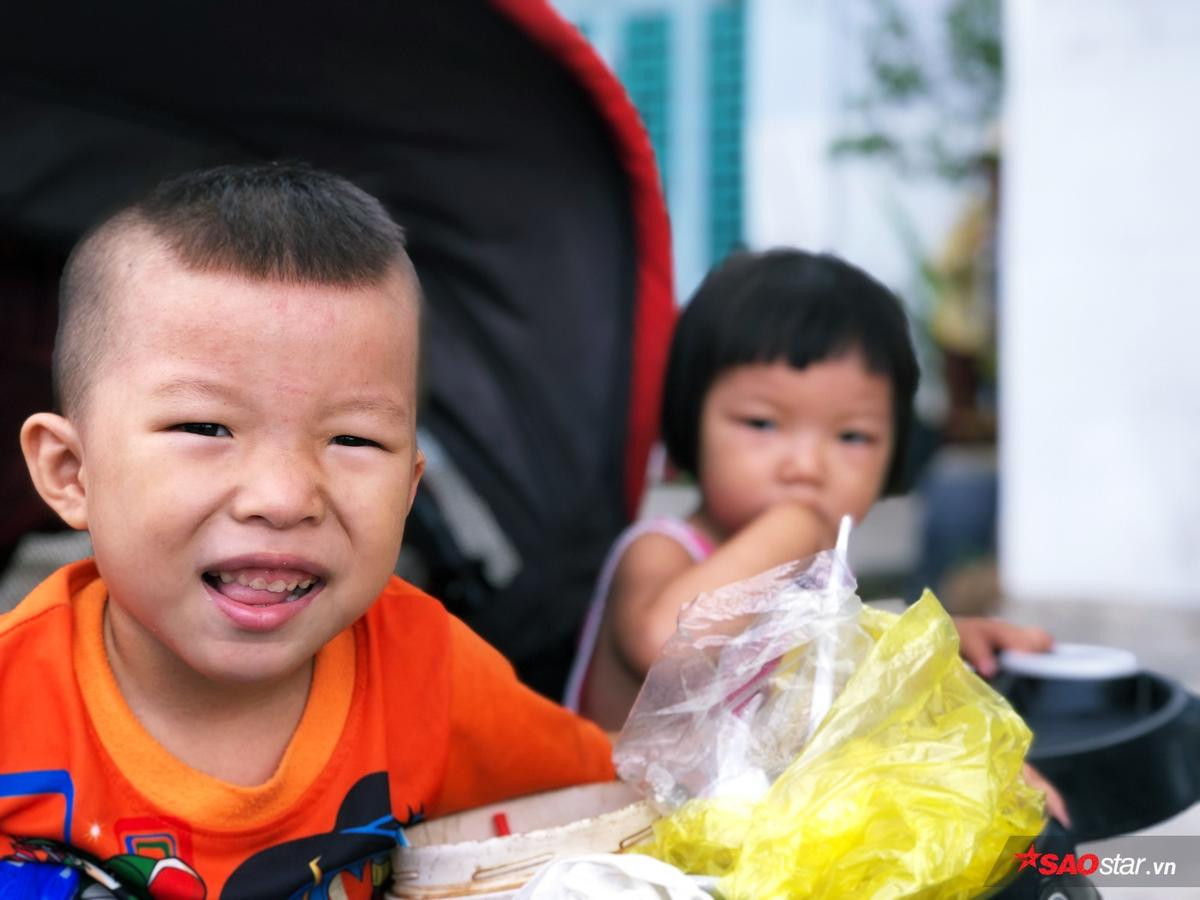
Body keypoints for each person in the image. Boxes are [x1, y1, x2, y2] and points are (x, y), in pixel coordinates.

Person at [0, 163, 614, 899]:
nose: (286, 498)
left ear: (409, 489)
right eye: (206, 427)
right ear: (72, 472)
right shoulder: (14, 702)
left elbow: (619, 808)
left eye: (353, 441)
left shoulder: (430, 674)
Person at [565, 248, 1054, 733]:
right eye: (762, 423)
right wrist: (795, 527)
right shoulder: (660, 552)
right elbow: (665, 648)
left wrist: (928, 650)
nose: (807, 466)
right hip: (603, 806)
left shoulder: (821, 587)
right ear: (690, 422)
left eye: (852, 436)